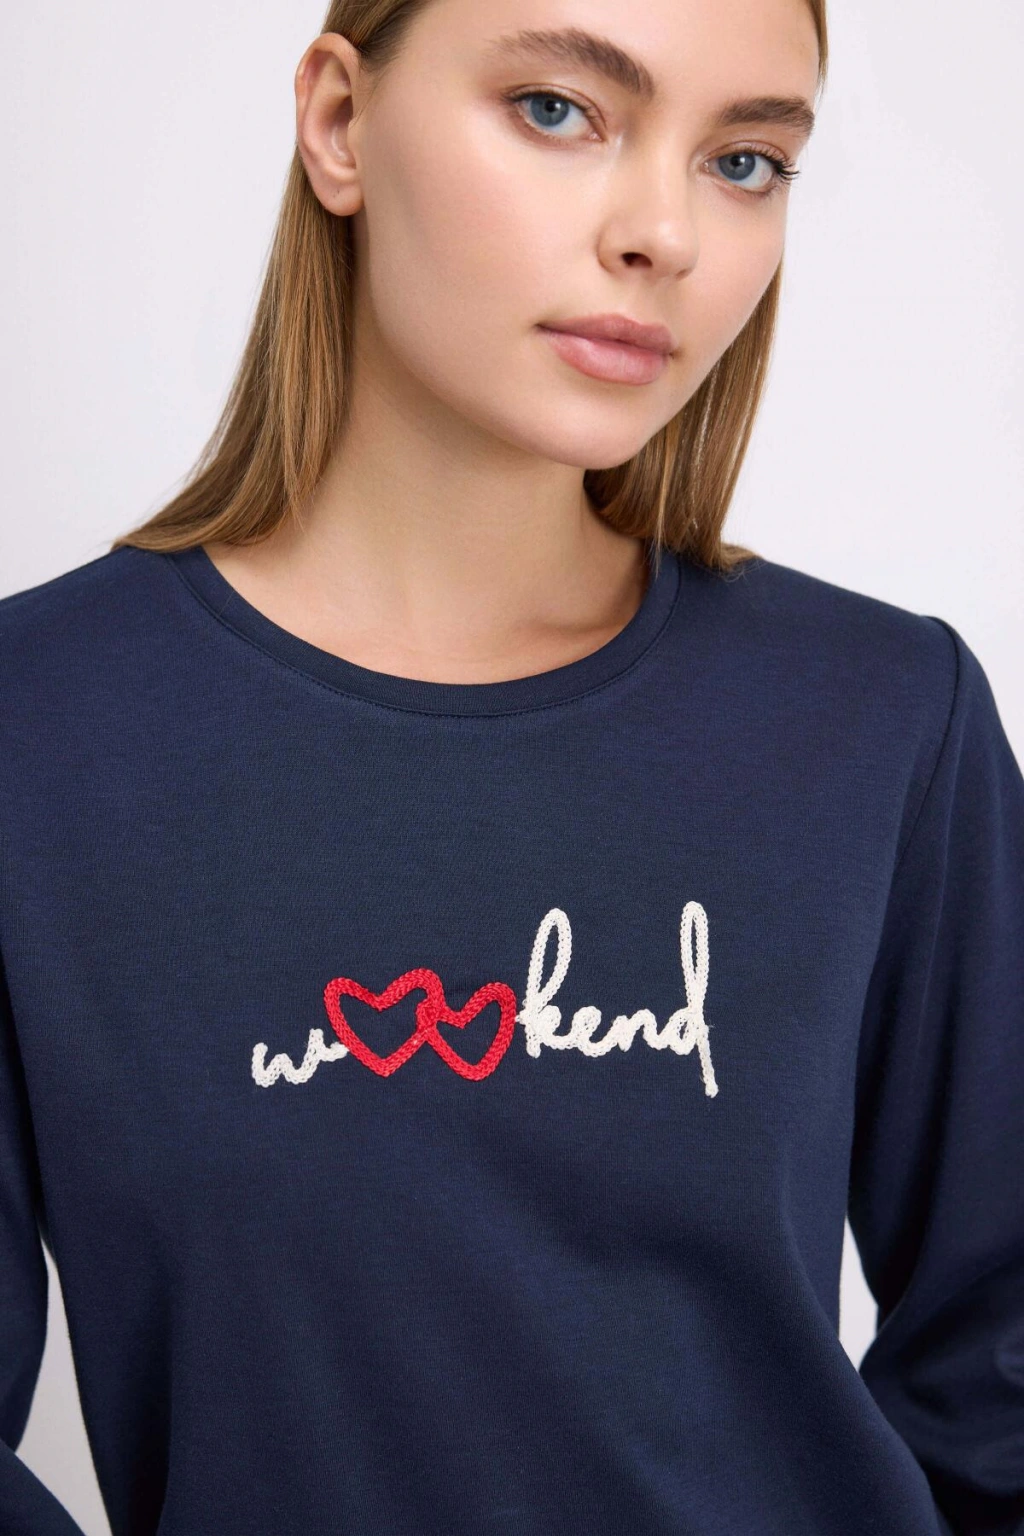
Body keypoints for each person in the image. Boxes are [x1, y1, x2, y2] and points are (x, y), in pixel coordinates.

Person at [1, 0, 1021, 1532]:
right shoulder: (40, 730)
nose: (664, 233)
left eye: (744, 160)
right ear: (340, 122)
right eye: (559, 110)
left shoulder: (883, 718)